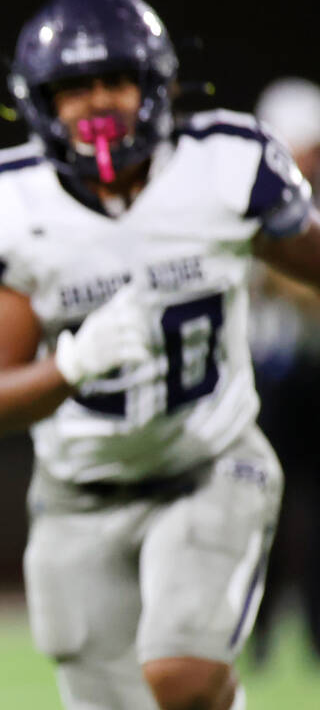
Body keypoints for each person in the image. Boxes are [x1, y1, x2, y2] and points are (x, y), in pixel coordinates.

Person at [0, 0, 320, 710]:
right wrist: (74, 363)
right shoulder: (10, 210)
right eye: (73, 88)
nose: (98, 105)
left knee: (179, 677)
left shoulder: (223, 170)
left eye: (115, 80)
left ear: (159, 86)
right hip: (80, 490)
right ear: (38, 105)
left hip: (208, 459)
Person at [246, 76, 320, 667]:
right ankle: (256, 633)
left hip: (312, 376)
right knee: (256, 505)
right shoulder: (249, 200)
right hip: (263, 377)